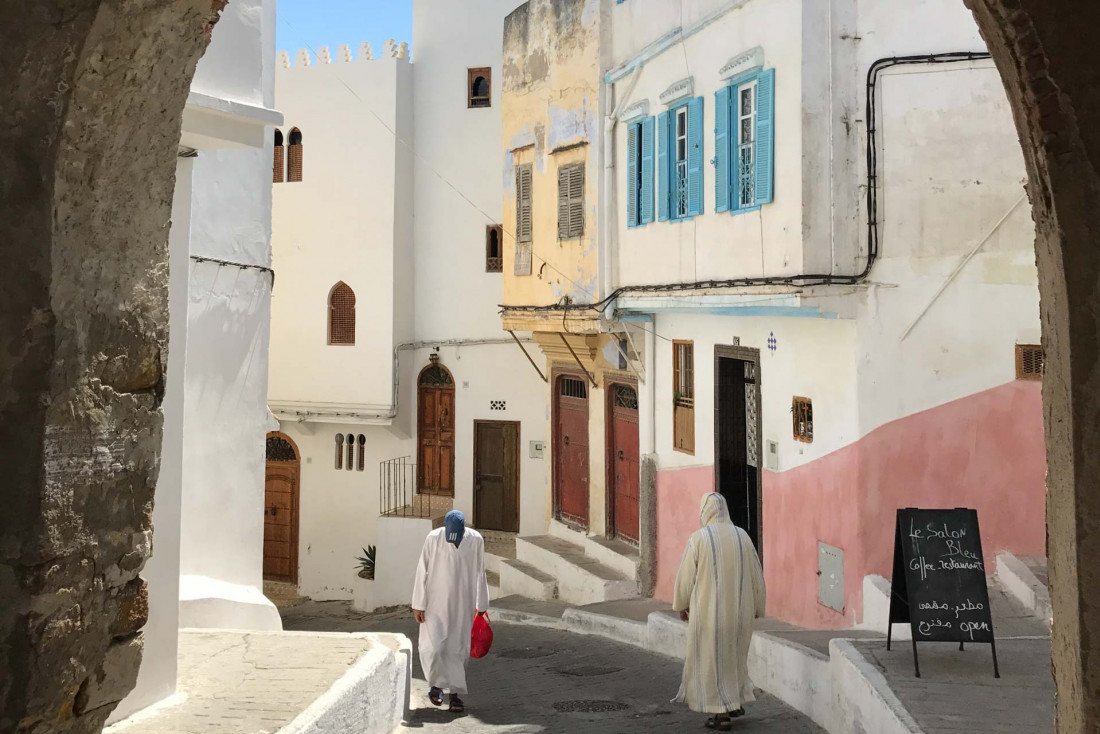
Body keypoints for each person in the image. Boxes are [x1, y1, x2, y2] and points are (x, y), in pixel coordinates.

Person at [672, 493, 766, 731]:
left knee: (713, 662)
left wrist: (681, 604)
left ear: (705, 512)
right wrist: (758, 606)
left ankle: (721, 714)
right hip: (739, 614)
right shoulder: (742, 536)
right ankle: (733, 702)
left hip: (709, 614)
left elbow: (685, 577)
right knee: (734, 659)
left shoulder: (699, 539)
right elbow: (756, 573)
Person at [411, 510, 489, 713]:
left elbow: (481, 571)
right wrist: (418, 603)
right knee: (435, 647)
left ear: (464, 529)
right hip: (434, 603)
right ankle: (436, 686)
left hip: (463, 602)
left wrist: (481, 605)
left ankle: (455, 695)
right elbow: (422, 570)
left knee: (458, 648)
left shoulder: (476, 540)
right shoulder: (433, 538)